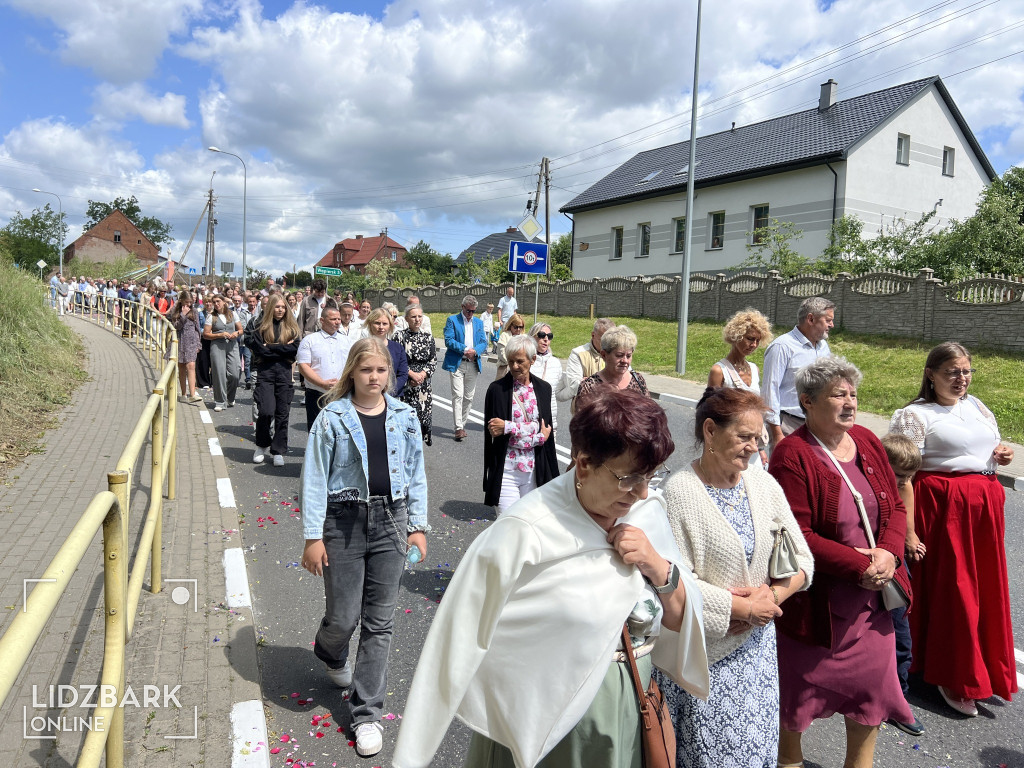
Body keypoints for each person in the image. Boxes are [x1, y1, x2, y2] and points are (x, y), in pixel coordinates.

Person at [394, 388, 709, 768]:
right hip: (543, 726)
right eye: (629, 478)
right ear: (584, 462)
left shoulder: (645, 516)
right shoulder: (525, 531)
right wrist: (412, 753)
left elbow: (678, 620)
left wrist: (659, 568)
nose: (642, 493)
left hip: (629, 712)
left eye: (651, 477)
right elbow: (456, 638)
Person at [768, 356, 912, 768]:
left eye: (853, 394)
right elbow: (799, 535)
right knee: (796, 705)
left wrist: (888, 553)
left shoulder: (866, 440)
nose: (850, 402)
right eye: (838, 395)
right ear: (807, 401)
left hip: (872, 608)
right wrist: (857, 566)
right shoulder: (792, 455)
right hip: (819, 610)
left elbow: (896, 508)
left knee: (870, 701)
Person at [658, 387, 812, 767]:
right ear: (710, 431)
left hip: (756, 655)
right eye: (744, 436)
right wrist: (740, 607)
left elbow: (802, 560)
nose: (755, 447)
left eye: (758, 438)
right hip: (703, 659)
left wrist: (768, 600)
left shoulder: (763, 485)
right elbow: (674, 582)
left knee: (757, 753)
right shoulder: (679, 492)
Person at [301, 337, 429, 758]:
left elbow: (416, 474)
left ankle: (366, 714)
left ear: (388, 375)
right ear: (352, 372)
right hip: (343, 521)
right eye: (365, 370)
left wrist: (418, 527)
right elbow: (315, 478)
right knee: (343, 617)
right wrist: (313, 536)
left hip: (392, 520)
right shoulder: (332, 418)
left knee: (380, 622)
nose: (373, 378)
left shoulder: (405, 416)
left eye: (380, 371)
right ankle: (329, 649)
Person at [889, 342, 1016, 717]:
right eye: (952, 372)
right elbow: (901, 476)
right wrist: (908, 532)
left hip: (983, 510)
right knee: (955, 591)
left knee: (983, 589)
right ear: (931, 374)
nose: (961, 379)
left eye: (966, 371)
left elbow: (988, 448)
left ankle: (981, 668)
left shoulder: (976, 406)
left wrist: (1000, 453)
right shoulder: (914, 415)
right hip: (943, 510)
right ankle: (950, 674)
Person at [879, 432, 925, 737]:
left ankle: (899, 700)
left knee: (899, 633)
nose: (902, 482)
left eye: (908, 477)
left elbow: (905, 494)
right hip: (865, 564)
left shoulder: (901, 482)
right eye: (898, 475)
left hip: (893, 565)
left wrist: (908, 536)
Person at [483, 335, 559, 513]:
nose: (514, 366)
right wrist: (537, 435)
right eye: (511, 362)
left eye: (519, 361)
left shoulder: (543, 389)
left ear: (533, 360)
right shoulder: (497, 390)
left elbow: (544, 429)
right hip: (507, 470)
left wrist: (509, 427)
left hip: (534, 470)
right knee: (508, 524)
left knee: (529, 525)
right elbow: (495, 430)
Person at [760, 297, 835, 452]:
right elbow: (769, 391)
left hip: (817, 424)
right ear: (811, 319)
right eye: (828, 320)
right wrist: (776, 432)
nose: (831, 325)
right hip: (788, 424)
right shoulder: (782, 347)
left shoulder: (823, 347)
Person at [709, 308, 774, 468]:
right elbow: (709, 411)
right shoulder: (719, 370)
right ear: (736, 336)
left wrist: (761, 448)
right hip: (729, 443)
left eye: (758, 341)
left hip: (752, 442)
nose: (754, 345)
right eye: (750, 339)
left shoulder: (754, 369)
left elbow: (757, 412)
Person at [246, 294, 301, 466]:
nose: (280, 310)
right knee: (266, 411)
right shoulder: (259, 326)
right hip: (265, 373)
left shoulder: (292, 327)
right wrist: (281, 348)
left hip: (284, 373)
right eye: (277, 307)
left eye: (283, 307)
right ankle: (262, 445)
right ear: (270, 307)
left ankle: (278, 450)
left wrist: (270, 347)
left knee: (282, 414)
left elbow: (294, 349)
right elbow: (260, 351)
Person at [296, 307, 352, 430]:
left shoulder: (347, 341)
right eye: (333, 319)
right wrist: (322, 383)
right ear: (322, 320)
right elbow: (303, 366)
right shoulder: (310, 340)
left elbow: (353, 365)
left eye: (338, 319)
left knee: (340, 430)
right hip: (316, 394)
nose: (337, 322)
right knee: (317, 430)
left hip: (341, 393)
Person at [442, 295, 488, 442]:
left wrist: (475, 351)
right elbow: (449, 340)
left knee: (469, 397)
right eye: (468, 311)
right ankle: (458, 428)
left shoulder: (479, 322)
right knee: (458, 395)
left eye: (473, 311)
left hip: (473, 363)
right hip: (458, 363)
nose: (470, 314)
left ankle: (462, 423)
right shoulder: (452, 320)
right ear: (462, 307)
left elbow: (483, 342)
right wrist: (464, 350)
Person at [575, 325, 649, 408]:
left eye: (628, 356)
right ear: (604, 355)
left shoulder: (638, 380)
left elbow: (650, 413)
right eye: (619, 355)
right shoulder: (590, 386)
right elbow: (582, 419)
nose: (625, 361)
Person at [397, 304, 437, 446]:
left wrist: (422, 375)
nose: (417, 319)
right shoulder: (400, 336)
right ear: (407, 318)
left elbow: (433, 361)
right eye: (413, 316)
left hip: (423, 387)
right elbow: (397, 361)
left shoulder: (428, 337)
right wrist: (411, 375)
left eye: (420, 316)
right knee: (406, 424)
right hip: (406, 385)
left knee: (422, 422)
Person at [557, 318, 614, 407]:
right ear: (593, 335)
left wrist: (588, 382)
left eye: (611, 340)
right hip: (585, 412)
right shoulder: (578, 354)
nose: (607, 344)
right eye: (603, 339)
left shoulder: (617, 354)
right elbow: (574, 386)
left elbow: (626, 382)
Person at [203, 294, 243, 412]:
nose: (216, 304)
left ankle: (230, 397)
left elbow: (241, 329)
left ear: (224, 302)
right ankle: (220, 401)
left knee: (235, 373)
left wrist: (237, 333)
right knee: (219, 373)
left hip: (232, 344)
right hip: (217, 345)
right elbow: (206, 334)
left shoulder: (232, 314)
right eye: (214, 302)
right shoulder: (211, 316)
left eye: (218, 301)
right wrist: (219, 334)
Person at [362, 308, 408, 396]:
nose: (381, 327)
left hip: (393, 396)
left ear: (390, 325)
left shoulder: (398, 348)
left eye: (385, 324)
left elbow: (403, 374)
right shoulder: (362, 347)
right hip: (368, 396)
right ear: (370, 324)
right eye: (377, 323)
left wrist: (388, 392)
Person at [169, 292, 204, 405]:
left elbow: (197, 328)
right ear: (181, 301)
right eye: (187, 302)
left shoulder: (194, 311)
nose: (189, 304)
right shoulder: (176, 311)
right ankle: (184, 393)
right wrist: (183, 315)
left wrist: (199, 343)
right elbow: (176, 326)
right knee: (182, 367)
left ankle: (192, 394)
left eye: (191, 302)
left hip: (191, 342)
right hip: (180, 341)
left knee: (191, 365)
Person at [529, 322, 562, 431]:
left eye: (549, 336)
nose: (546, 339)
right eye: (542, 335)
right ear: (533, 336)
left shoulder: (555, 363)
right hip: (528, 424)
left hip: (549, 423)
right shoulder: (525, 362)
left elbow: (558, 392)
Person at [494, 313, 525, 379]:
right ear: (510, 325)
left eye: (521, 327)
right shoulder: (504, 336)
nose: (518, 329)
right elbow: (502, 354)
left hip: (520, 370)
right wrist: (513, 364)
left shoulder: (524, 337)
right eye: (516, 327)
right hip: (505, 369)